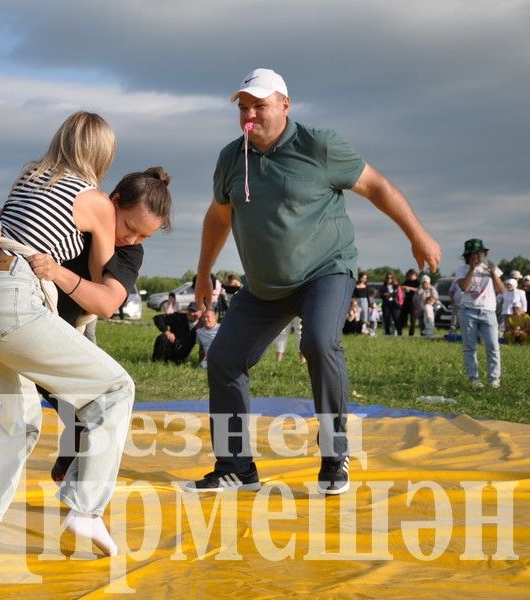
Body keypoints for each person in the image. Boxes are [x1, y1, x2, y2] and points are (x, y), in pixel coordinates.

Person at [188, 67, 440, 496]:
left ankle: (334, 455)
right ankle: (236, 467)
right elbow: (219, 216)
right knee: (225, 358)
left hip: (326, 270)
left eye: (260, 106)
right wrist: (204, 272)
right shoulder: (232, 157)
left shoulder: (319, 146)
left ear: (285, 105)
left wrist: (418, 235)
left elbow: (377, 186)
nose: (249, 115)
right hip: (265, 286)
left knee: (319, 342)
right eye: (243, 107)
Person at [0, 167, 172, 528]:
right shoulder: (71, 213)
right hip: (2, 316)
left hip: (52, 338)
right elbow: (16, 220)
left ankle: (68, 476)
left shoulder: (128, 254)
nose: (133, 239)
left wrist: (59, 273)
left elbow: (108, 302)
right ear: (111, 203)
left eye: (145, 235)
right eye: (130, 227)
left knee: (87, 409)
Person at [0, 111, 133, 556]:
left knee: (20, 410)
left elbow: (9, 226)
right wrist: (122, 239)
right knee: (116, 388)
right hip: (13, 299)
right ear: (103, 154)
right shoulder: (96, 201)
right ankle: (86, 512)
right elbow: (101, 278)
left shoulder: (29, 174)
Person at [456, 239, 504, 388]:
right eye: (473, 255)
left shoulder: (491, 268)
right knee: (470, 347)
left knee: (493, 346)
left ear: (484, 254)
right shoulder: (462, 269)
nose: (477, 257)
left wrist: (493, 274)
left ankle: (494, 379)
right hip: (468, 311)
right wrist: (472, 269)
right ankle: (474, 380)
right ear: (468, 256)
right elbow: (464, 287)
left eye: (480, 254)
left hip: (488, 311)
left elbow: (502, 290)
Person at [399, 269, 420, 336]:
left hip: (413, 303)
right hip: (406, 302)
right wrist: (404, 288)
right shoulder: (407, 281)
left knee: (413, 320)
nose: (410, 276)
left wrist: (410, 288)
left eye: (411, 275)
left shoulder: (417, 282)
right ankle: (399, 332)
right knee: (401, 318)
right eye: (409, 275)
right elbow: (401, 287)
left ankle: (411, 334)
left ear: (415, 275)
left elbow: (419, 289)